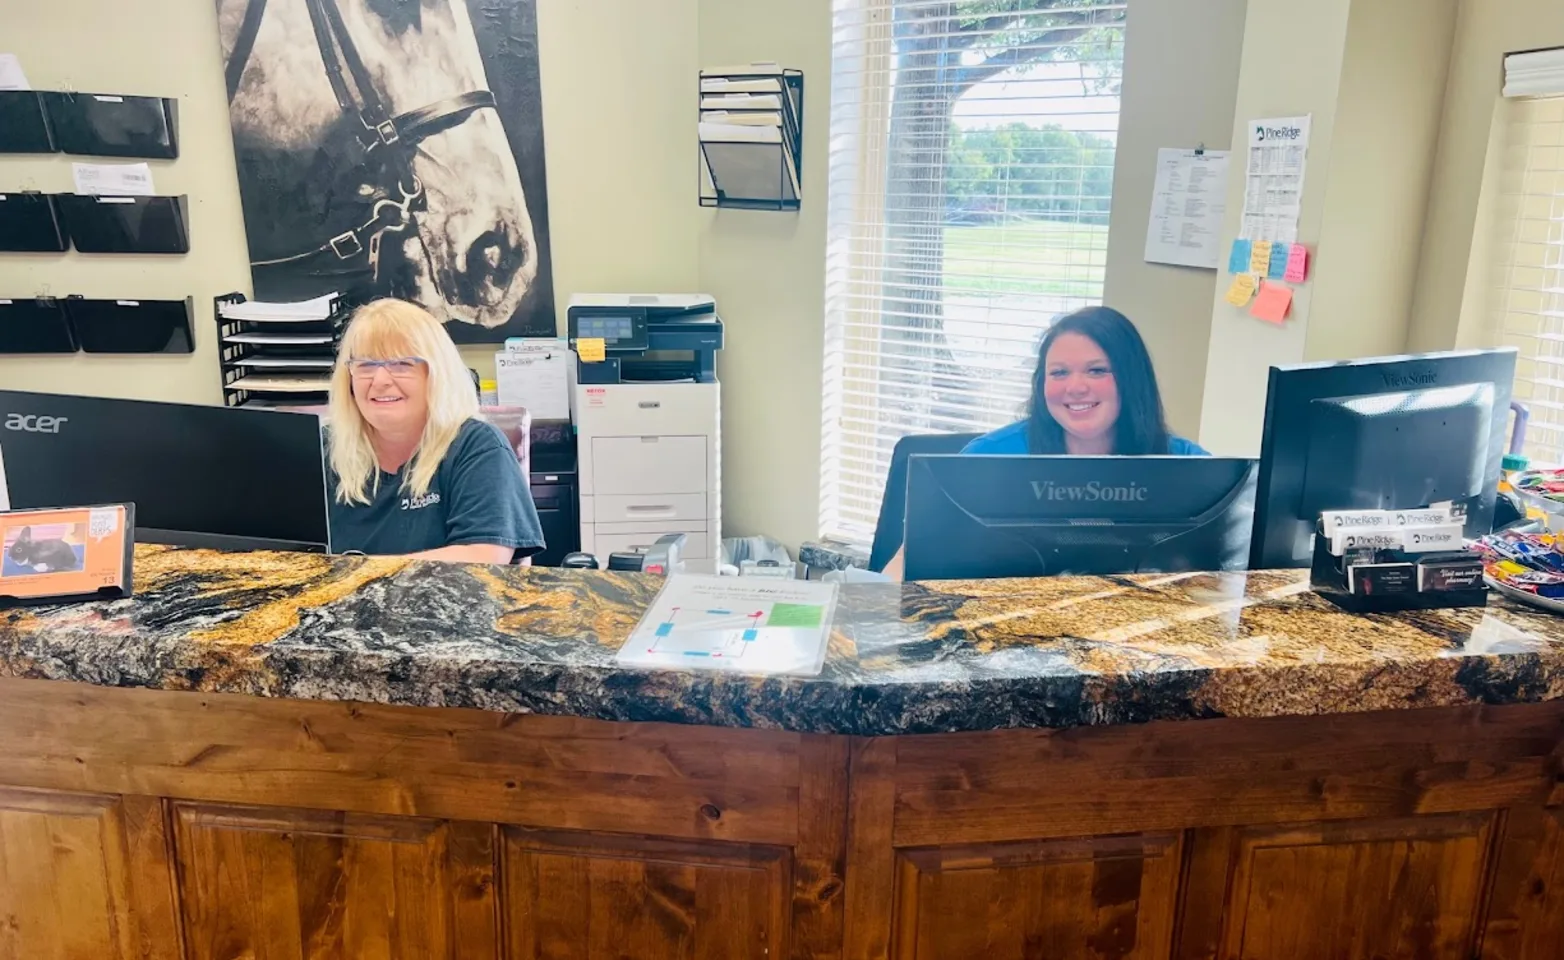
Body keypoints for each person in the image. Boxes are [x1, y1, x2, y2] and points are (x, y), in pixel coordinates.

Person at [884, 305, 1205, 579]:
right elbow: (907, 563)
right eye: (1059, 373)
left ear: (1131, 380)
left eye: (1096, 370)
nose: (1075, 387)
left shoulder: (1188, 467)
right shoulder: (988, 459)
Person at [326, 298, 545, 563]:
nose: (381, 380)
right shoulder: (324, 449)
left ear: (437, 375)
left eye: (401, 364)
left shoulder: (476, 446)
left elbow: (484, 557)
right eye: (366, 365)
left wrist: (357, 577)